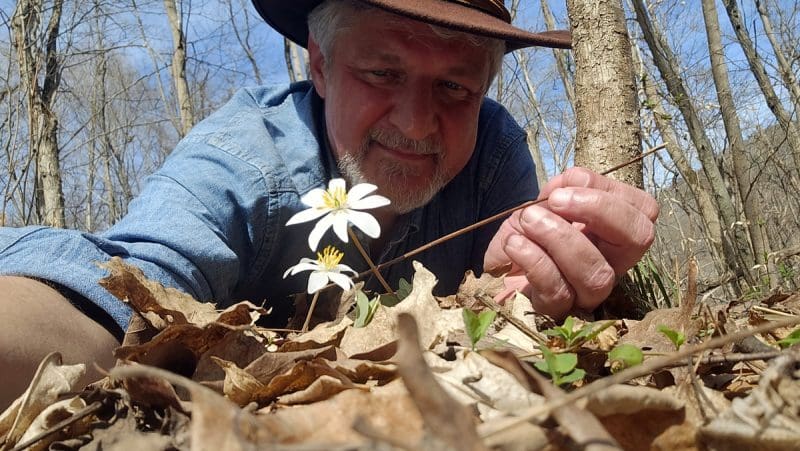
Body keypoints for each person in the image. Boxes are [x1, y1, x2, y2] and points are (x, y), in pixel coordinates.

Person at [0, 0, 658, 408]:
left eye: (456, 87)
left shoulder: (492, 151)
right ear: (318, 64)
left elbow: (509, 296)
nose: (419, 121)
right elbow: (118, 291)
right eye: (382, 72)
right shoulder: (246, 156)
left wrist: (546, 272)